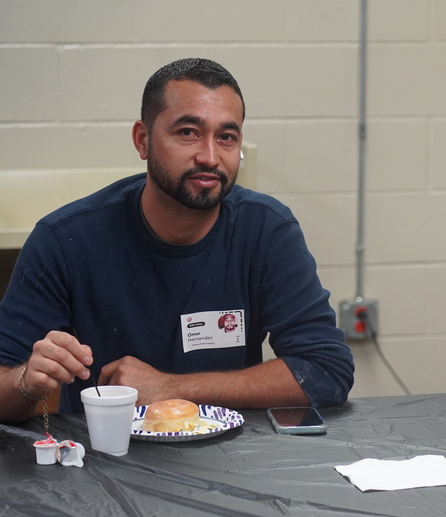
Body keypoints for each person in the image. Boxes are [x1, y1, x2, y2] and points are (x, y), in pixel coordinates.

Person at [0, 58, 354, 421]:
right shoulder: (66, 239)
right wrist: (27, 380)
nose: (210, 157)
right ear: (143, 140)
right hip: (108, 460)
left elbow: (326, 371)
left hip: (235, 462)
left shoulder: (266, 230)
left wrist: (172, 388)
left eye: (226, 137)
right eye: (188, 132)